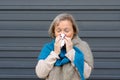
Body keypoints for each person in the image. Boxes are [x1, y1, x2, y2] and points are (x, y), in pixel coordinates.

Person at [35, 13, 94, 80]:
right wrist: (55, 53)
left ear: (74, 31)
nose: (62, 34)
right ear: (54, 32)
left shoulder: (82, 46)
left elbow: (86, 74)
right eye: (58, 31)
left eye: (66, 31)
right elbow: (40, 73)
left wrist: (71, 52)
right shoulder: (48, 48)